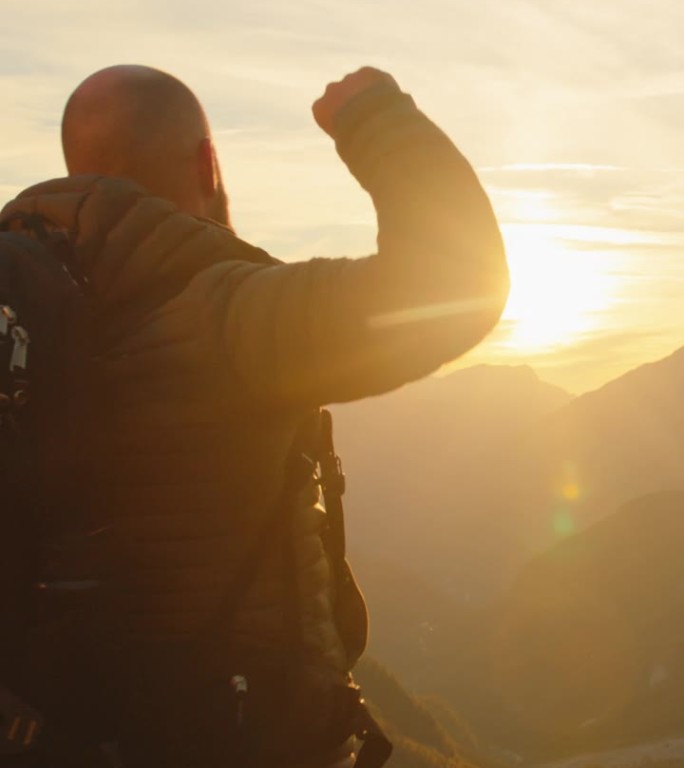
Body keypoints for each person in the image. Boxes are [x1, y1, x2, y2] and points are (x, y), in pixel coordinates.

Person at [0, 64, 509, 768]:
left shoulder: (24, 325)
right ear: (209, 163)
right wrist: (376, 117)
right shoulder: (217, 316)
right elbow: (456, 283)